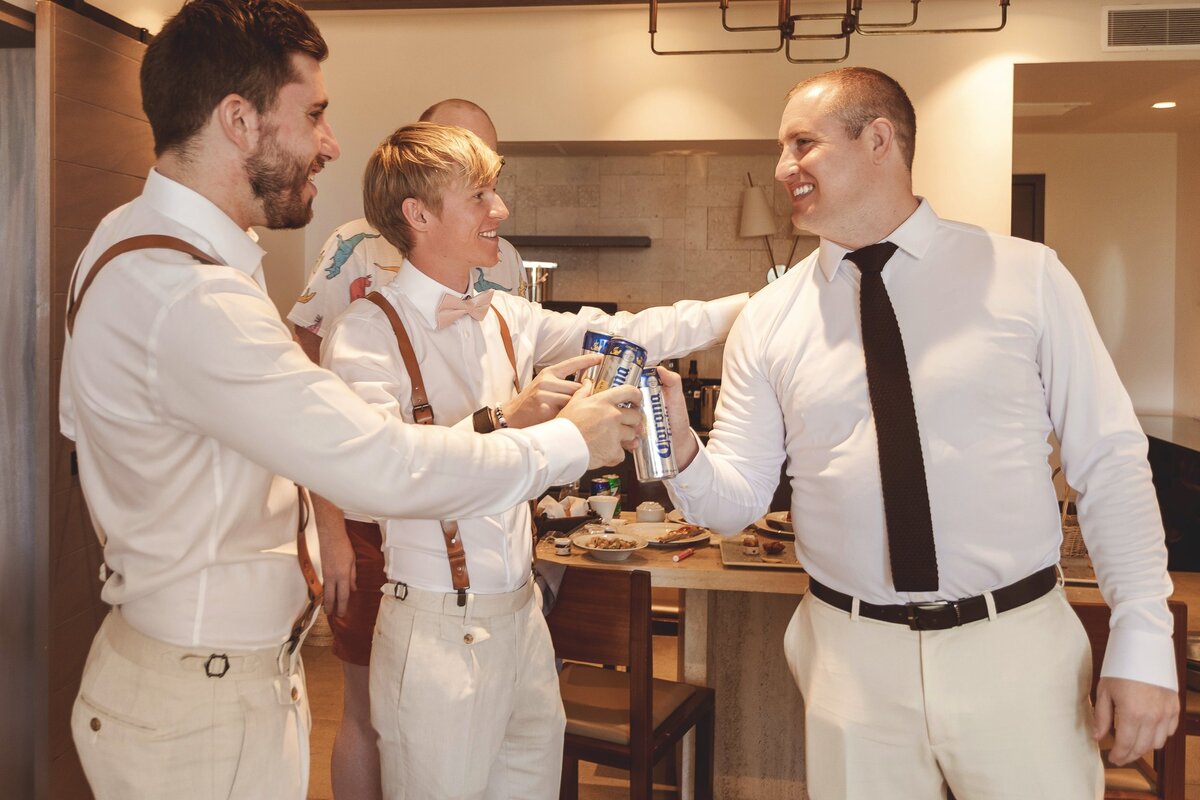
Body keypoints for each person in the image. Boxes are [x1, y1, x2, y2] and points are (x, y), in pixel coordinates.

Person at [58, 1, 639, 797]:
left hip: (212, 678)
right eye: (316, 114)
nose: (331, 143)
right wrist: (569, 441)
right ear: (238, 119)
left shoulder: (125, 242)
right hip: (200, 703)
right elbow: (380, 464)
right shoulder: (189, 296)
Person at [660, 66, 1177, 799]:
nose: (782, 169)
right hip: (848, 659)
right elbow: (734, 501)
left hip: (1017, 650)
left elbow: (1111, 461)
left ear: (879, 140)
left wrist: (1144, 636)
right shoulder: (769, 319)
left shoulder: (1026, 277)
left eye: (802, 145)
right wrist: (679, 446)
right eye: (781, 150)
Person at [321, 121, 747, 800]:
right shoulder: (366, 332)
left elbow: (640, 331)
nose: (502, 211)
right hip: (436, 628)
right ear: (418, 214)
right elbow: (374, 489)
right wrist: (503, 419)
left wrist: (759, 306)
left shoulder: (505, 316)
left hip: (523, 622)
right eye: (481, 195)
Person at [286, 98, 525, 800]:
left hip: (462, 518)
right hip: (367, 509)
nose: (492, 198)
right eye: (472, 176)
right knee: (367, 707)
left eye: (491, 172)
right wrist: (328, 530)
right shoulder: (352, 246)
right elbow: (309, 391)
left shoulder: (501, 262)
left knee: (468, 726)